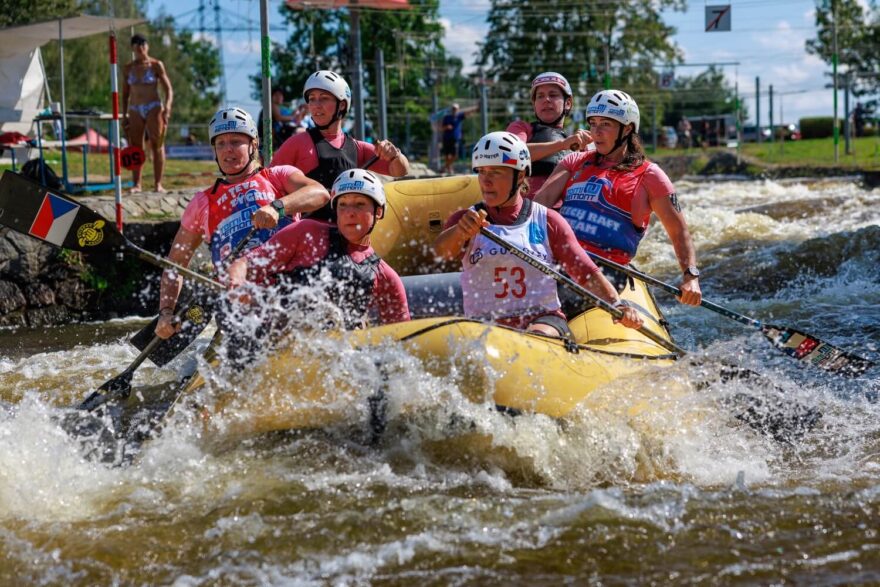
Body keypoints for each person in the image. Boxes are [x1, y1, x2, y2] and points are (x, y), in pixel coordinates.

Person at [433, 131, 643, 338]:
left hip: (543, 320)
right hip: (486, 324)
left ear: (520, 175)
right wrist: (460, 232)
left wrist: (617, 304)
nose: (486, 181)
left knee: (538, 335)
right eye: (482, 172)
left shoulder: (548, 221)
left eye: (496, 172)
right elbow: (441, 254)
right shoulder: (464, 220)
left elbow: (585, 272)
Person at [155, 107, 329, 339]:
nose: (228, 149)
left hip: (289, 292)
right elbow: (175, 265)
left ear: (253, 145)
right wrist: (166, 312)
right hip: (239, 310)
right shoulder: (201, 203)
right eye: (221, 143)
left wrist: (278, 206)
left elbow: (319, 193)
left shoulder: (277, 177)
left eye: (236, 141)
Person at [534, 90, 702, 306]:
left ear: (627, 129)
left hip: (605, 271)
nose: (596, 132)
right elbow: (537, 208)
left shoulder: (650, 176)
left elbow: (678, 231)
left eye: (606, 124)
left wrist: (691, 277)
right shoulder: (574, 161)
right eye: (593, 124)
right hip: (559, 261)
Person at [226, 168, 410, 329]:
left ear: (378, 211)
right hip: (281, 341)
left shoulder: (386, 277)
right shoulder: (306, 233)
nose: (349, 212)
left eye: (360, 204)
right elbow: (245, 263)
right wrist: (237, 280)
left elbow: (403, 339)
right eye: (343, 204)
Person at [270, 70, 409, 220]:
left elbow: (400, 171)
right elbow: (267, 185)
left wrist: (395, 155)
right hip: (307, 237)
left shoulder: (357, 148)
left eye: (323, 98)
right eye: (312, 99)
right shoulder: (297, 143)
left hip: (348, 236)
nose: (316, 105)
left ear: (341, 105)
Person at [506, 72, 591, 194]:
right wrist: (563, 144)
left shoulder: (578, 143)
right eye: (540, 96)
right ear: (534, 104)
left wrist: (584, 150)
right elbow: (511, 153)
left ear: (568, 103)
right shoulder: (521, 128)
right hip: (527, 208)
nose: (546, 100)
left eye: (553, 95)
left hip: (564, 209)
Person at [121, 34, 173, 193]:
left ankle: (158, 183)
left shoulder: (156, 65)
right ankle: (137, 184)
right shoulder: (128, 68)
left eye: (143, 43)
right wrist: (124, 115)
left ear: (147, 46)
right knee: (136, 146)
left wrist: (168, 107)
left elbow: (168, 89)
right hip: (135, 108)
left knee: (157, 144)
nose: (140, 46)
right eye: (136, 44)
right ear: (132, 48)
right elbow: (125, 95)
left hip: (153, 107)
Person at [441, 102, 479, 174]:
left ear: (458, 109)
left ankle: (445, 167)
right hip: (446, 138)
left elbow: (467, 113)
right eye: (453, 109)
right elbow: (442, 128)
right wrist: (447, 127)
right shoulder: (447, 117)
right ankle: (449, 168)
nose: (454, 110)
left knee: (455, 155)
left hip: (455, 138)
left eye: (455, 109)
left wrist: (476, 108)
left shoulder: (459, 116)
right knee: (447, 155)